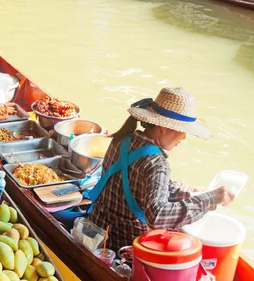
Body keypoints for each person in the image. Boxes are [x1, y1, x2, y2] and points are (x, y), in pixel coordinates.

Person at [88, 87, 234, 251]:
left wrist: (191, 191)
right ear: (164, 127)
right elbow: (157, 216)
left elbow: (146, 183)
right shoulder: (157, 163)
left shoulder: (123, 138)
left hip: (96, 230)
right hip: (124, 246)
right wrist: (210, 199)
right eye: (184, 131)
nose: (184, 137)